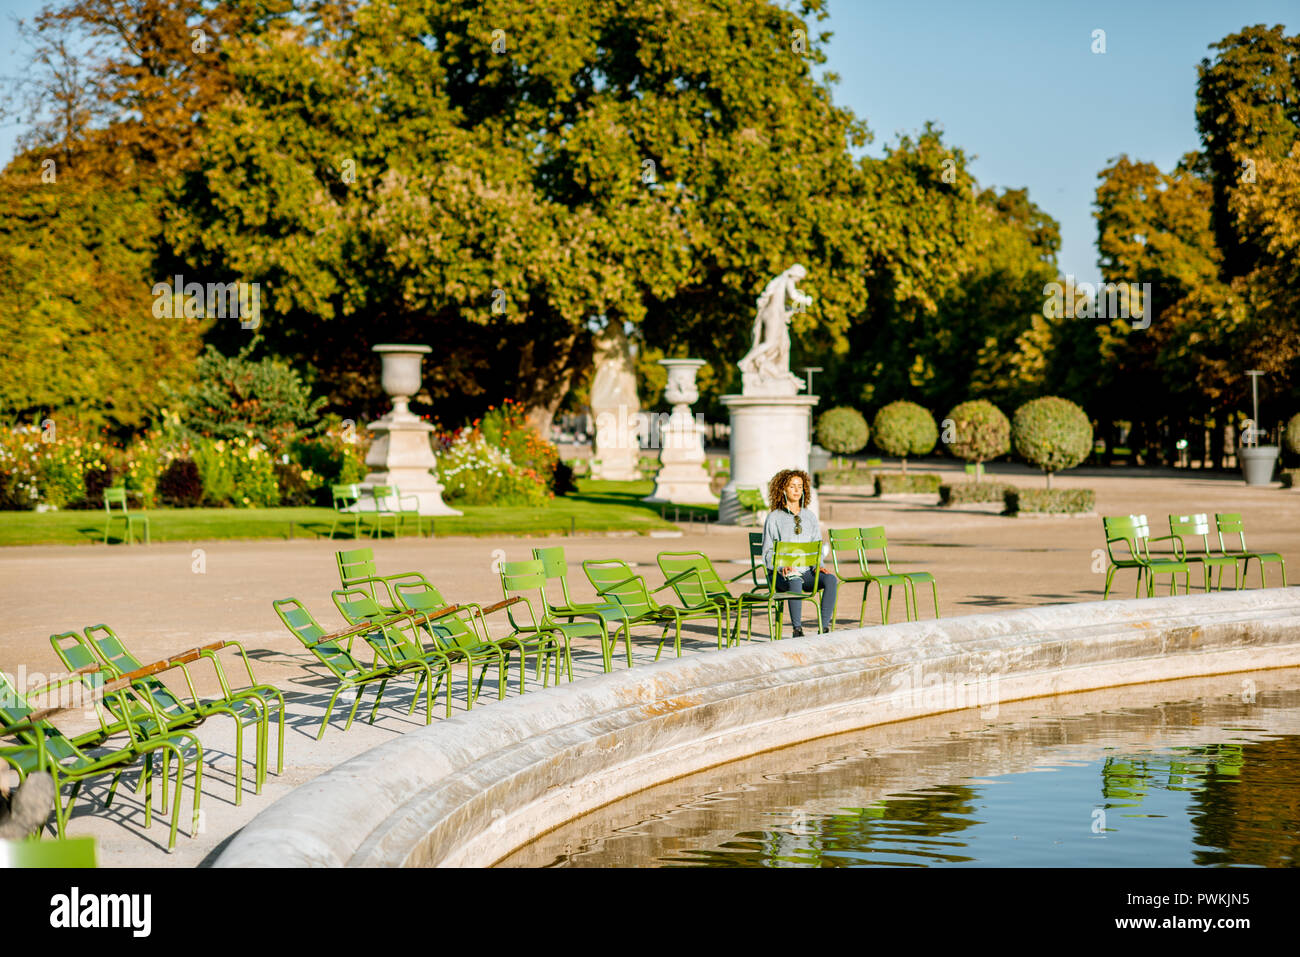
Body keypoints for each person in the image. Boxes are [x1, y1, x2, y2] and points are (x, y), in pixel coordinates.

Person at [759, 468, 836, 637]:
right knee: (795, 581)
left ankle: (824, 628)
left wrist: (818, 566)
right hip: (781, 574)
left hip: (806, 571)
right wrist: (781, 567)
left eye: (800, 487)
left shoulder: (810, 517)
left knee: (830, 579)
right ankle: (797, 629)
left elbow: (817, 547)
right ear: (783, 489)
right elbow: (767, 551)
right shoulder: (774, 518)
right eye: (792, 486)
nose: (796, 490)